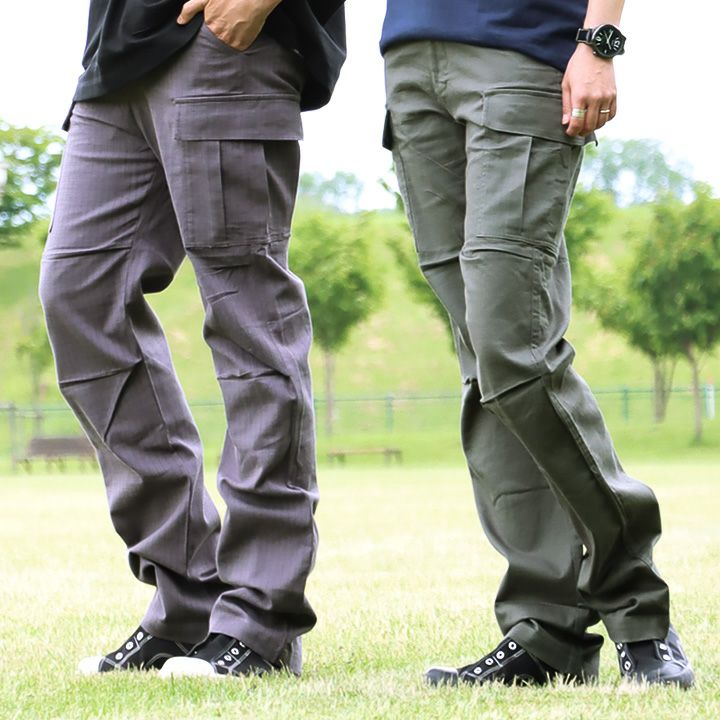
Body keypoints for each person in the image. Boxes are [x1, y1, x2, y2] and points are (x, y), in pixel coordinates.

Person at [381, 0, 694, 688]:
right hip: (409, 57)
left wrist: (600, 38)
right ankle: (545, 630)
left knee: (511, 349)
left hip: (519, 51)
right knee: (486, 365)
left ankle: (638, 606)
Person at [40, 0, 345, 678]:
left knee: (248, 318)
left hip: (225, 41)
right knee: (79, 297)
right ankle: (188, 597)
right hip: (118, 51)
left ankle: (261, 617)